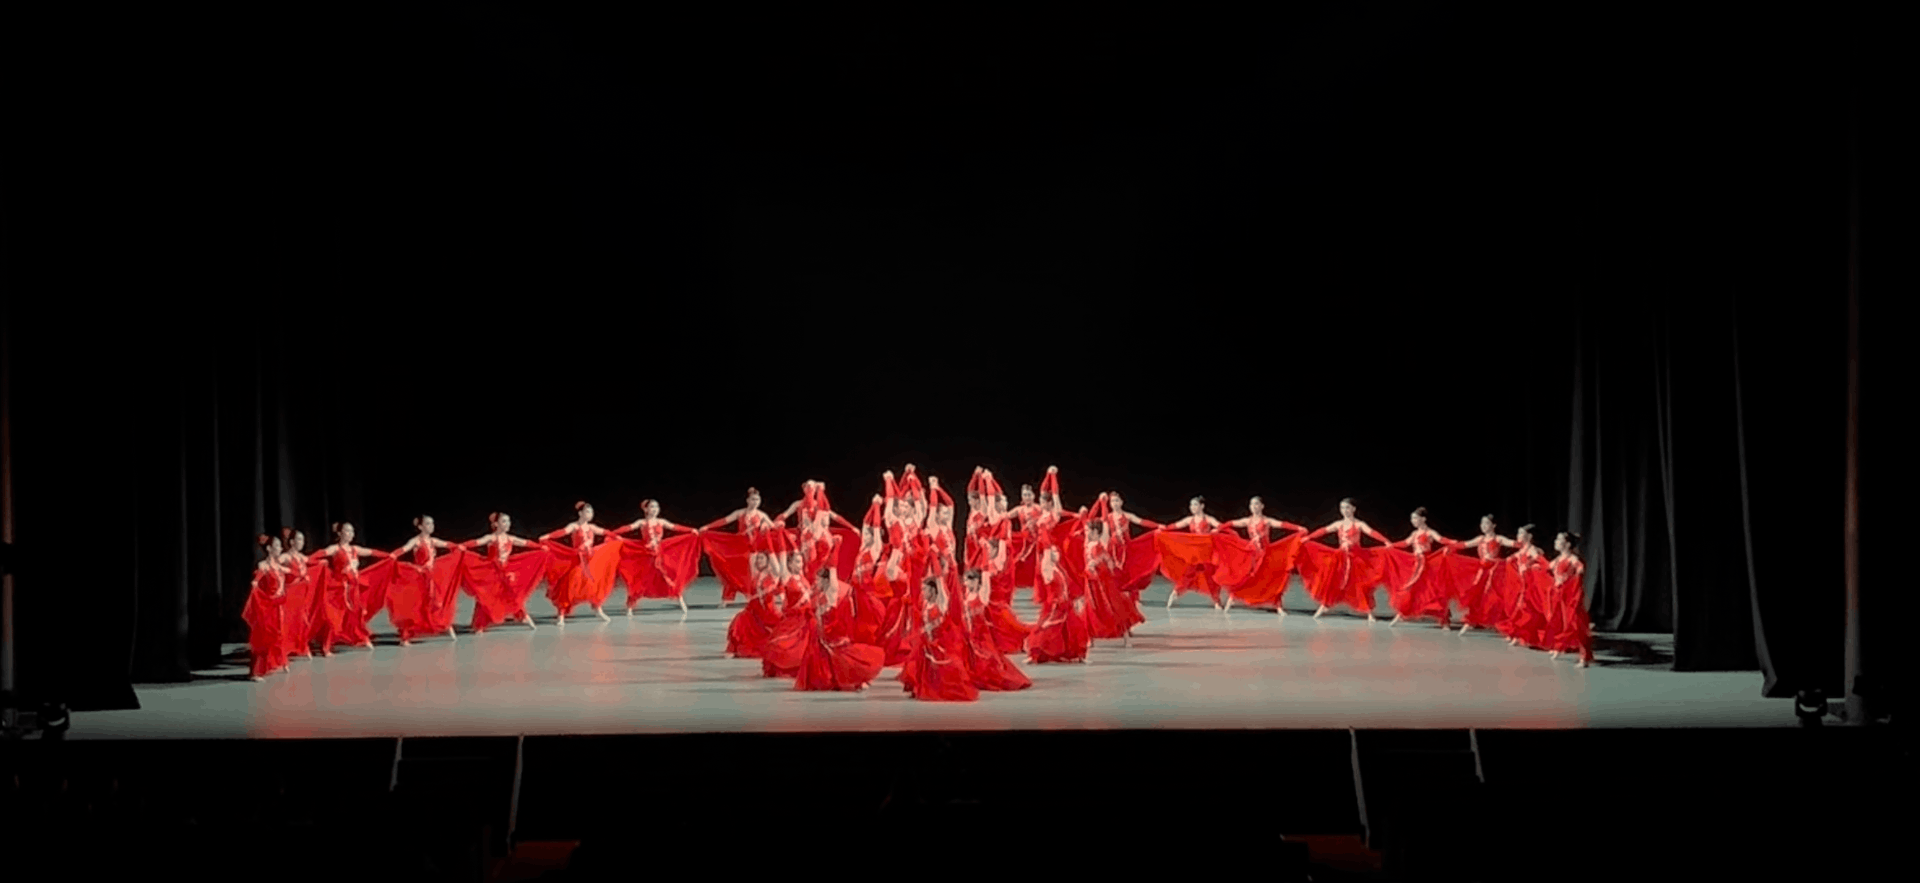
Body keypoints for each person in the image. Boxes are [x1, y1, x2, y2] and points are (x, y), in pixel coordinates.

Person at [794, 565, 884, 691]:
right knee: (826, 659)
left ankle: (857, 679)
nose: (816, 583)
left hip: (831, 632)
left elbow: (833, 577)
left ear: (826, 581)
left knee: (842, 658)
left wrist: (832, 563)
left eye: (819, 580)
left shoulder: (831, 593)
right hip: (821, 633)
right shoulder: (820, 594)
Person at [1299, 498, 1392, 621]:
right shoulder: (1339, 524)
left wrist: (1385, 541)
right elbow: (1324, 530)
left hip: (1356, 558)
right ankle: (1325, 606)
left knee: (1360, 585)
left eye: (1347, 507)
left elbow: (1371, 532)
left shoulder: (1359, 524)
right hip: (1340, 558)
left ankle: (1369, 612)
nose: (1345, 510)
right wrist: (1309, 537)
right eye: (1342, 508)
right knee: (1334, 582)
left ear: (1353, 509)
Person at [1215, 497, 1309, 615]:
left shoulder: (1267, 521)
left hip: (1266, 554)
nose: (1254, 506)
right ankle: (1232, 599)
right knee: (1246, 578)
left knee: (1273, 579)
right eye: (1252, 504)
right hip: (1252, 554)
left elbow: (1282, 524)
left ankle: (1278, 606)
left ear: (1261, 506)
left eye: (1256, 504)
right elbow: (1231, 523)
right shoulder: (1247, 521)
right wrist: (1218, 528)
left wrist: (1298, 528)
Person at [459, 513, 548, 633]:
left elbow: (525, 542)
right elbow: (477, 542)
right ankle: (480, 624)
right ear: (496, 524)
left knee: (512, 595)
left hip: (505, 571)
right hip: (492, 572)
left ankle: (522, 616)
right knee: (487, 597)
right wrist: (463, 546)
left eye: (509, 521)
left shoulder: (510, 538)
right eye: (504, 521)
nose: (508, 524)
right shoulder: (491, 538)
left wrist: (540, 547)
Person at [608, 500, 701, 614]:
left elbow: (675, 527)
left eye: (657, 506)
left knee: (667, 576)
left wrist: (690, 530)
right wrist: (613, 533)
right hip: (645, 554)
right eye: (652, 507)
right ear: (646, 509)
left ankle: (680, 599)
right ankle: (630, 606)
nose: (655, 509)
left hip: (660, 553)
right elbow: (628, 527)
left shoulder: (661, 521)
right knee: (640, 580)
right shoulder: (641, 522)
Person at [308, 522, 389, 651]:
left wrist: (389, 556)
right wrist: (318, 561)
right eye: (347, 531)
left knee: (355, 615)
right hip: (339, 589)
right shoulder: (335, 549)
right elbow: (316, 555)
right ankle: (326, 645)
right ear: (339, 533)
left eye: (352, 531)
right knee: (335, 617)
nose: (351, 534)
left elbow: (371, 552)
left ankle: (362, 638)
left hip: (353, 588)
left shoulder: (355, 549)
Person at [388, 515, 465, 644]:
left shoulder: (433, 541)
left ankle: (445, 625)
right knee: (416, 606)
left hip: (432, 577)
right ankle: (406, 635)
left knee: (436, 602)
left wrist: (459, 547)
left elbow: (447, 544)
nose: (432, 526)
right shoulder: (416, 541)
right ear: (420, 527)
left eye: (432, 523)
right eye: (428, 524)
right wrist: (393, 555)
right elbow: (404, 549)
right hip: (420, 577)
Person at [1379, 508, 1460, 628]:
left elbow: (1440, 539)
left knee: (1431, 591)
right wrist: (1392, 545)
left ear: (1423, 519)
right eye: (1412, 518)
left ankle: (1444, 619)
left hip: (1427, 565)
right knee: (1414, 590)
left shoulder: (1430, 532)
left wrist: (1452, 542)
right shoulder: (1414, 534)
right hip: (1416, 563)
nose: (1413, 521)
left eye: (1416, 518)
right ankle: (1402, 614)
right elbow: (1406, 543)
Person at [541, 502, 616, 624]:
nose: (590, 514)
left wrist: (616, 536)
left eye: (591, 512)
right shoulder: (574, 526)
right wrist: (548, 536)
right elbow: (562, 532)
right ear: (580, 513)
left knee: (593, 585)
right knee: (570, 586)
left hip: (591, 560)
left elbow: (605, 532)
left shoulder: (592, 527)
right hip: (577, 559)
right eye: (587, 512)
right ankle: (561, 614)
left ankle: (597, 609)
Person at [702, 488, 778, 607]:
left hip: (754, 549)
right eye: (753, 499)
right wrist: (708, 527)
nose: (755, 502)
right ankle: (727, 598)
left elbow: (774, 528)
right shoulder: (740, 513)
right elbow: (724, 521)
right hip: (739, 547)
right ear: (748, 500)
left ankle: (754, 596)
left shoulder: (761, 515)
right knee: (731, 571)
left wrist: (766, 525)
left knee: (754, 574)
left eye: (757, 499)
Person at [960, 569, 1032, 690]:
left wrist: (985, 573)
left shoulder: (981, 595)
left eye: (968, 580)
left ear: (976, 581)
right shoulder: (967, 594)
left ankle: (989, 676)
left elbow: (986, 581)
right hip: (970, 632)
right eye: (965, 580)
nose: (966, 583)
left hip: (981, 632)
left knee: (988, 656)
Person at [1453, 515, 1518, 635]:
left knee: (1494, 597)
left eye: (1486, 523)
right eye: (1482, 523)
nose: (1483, 526)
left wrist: (1527, 545)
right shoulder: (1480, 539)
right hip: (1481, 571)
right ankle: (1471, 621)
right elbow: (1465, 544)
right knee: (1475, 596)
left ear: (1493, 525)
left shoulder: (1498, 539)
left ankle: (1500, 623)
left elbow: (1512, 543)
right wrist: (1451, 546)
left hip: (1495, 571)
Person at [1158, 496, 1224, 609]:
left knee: (1210, 576)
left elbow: (1220, 526)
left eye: (1195, 505)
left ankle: (1216, 601)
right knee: (1188, 573)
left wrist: (1216, 530)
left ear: (1202, 506)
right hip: (1194, 553)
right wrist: (1163, 529)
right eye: (1191, 505)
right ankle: (1175, 593)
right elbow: (1175, 525)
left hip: (1206, 552)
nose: (1192, 507)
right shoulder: (1189, 520)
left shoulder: (1208, 519)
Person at [242, 534, 290, 680]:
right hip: (268, 607)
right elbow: (257, 580)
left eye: (280, 546)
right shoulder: (264, 566)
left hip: (278, 607)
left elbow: (292, 573)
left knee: (278, 635)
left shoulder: (279, 567)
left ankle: (277, 662)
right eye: (277, 546)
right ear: (269, 548)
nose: (280, 549)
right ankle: (255, 672)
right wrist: (255, 583)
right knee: (264, 637)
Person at [1545, 532, 1595, 667]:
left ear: (1567, 544)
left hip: (1569, 596)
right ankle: (1559, 647)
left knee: (1574, 624)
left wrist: (1575, 575)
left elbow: (1580, 567)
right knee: (1558, 621)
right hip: (1557, 595)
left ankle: (1584, 657)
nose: (1556, 542)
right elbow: (1547, 569)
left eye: (1559, 539)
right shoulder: (1557, 560)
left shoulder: (1572, 559)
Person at [277, 528, 319, 660]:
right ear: (292, 542)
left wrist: (322, 562)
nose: (302, 542)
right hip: (290, 596)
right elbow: (273, 566)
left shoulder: (301, 557)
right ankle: (283, 650)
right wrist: (288, 572)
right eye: (299, 539)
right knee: (288, 623)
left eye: (303, 540)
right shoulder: (285, 557)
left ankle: (302, 647)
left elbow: (313, 561)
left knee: (302, 622)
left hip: (301, 596)